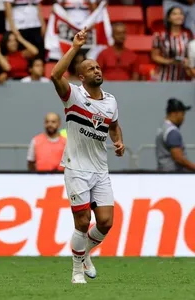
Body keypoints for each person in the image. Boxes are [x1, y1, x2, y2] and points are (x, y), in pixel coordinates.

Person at [50, 27, 125, 284]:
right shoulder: (73, 95)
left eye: (99, 68)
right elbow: (54, 74)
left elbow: (113, 125)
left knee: (105, 222)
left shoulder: (111, 101)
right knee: (82, 222)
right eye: (91, 68)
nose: (97, 70)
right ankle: (76, 270)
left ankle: (85, 253)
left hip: (100, 168)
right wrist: (75, 47)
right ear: (81, 77)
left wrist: (119, 141)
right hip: (76, 167)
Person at [151, 6, 193, 81]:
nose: (179, 16)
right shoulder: (159, 35)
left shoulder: (188, 35)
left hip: (183, 78)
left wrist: (188, 61)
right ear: (168, 18)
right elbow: (154, 56)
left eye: (181, 14)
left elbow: (191, 55)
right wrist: (170, 61)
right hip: (164, 77)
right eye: (174, 14)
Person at [155, 98, 195, 171]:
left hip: (163, 171)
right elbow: (178, 158)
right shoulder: (172, 131)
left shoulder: (162, 128)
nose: (183, 118)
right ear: (174, 113)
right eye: (182, 114)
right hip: (173, 174)